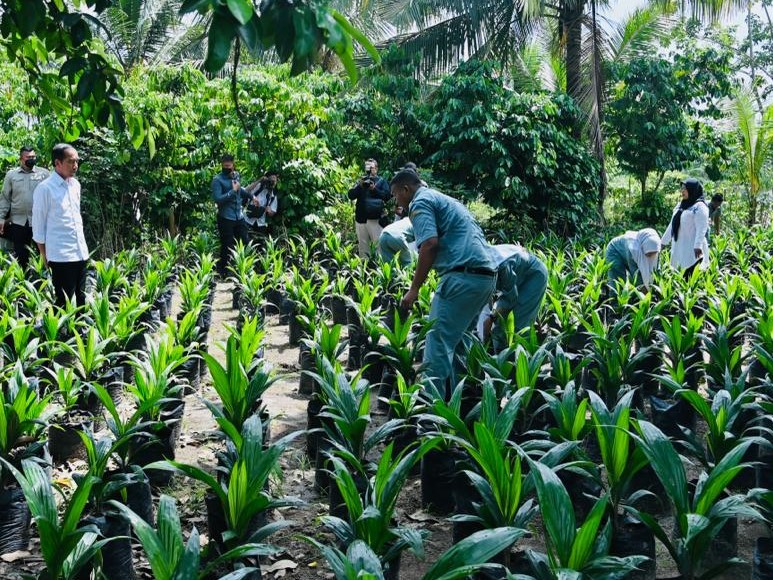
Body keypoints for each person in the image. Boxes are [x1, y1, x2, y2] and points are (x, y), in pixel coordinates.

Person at [392, 170, 496, 398]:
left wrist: (414, 288)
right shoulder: (443, 199)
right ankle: (459, 403)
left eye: (395, 195)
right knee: (458, 343)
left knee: (437, 342)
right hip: (484, 277)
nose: (396, 201)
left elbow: (429, 244)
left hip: (461, 277)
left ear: (406, 190)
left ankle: (431, 414)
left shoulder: (420, 202)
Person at [32, 144, 89, 307]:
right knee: (63, 302)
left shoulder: (75, 185)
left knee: (81, 299)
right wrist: (44, 255)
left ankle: (80, 332)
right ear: (57, 163)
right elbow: (38, 226)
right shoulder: (45, 189)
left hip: (80, 252)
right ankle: (63, 333)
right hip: (60, 256)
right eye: (71, 162)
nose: (75, 166)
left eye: (77, 161)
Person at [481, 244, 548, 349]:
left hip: (535, 276)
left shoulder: (502, 267)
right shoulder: (480, 266)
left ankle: (517, 360)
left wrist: (491, 318)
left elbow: (510, 299)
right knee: (501, 322)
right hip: (519, 276)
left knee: (516, 325)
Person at [0, 146, 50, 270]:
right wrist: (1, 217)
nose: (31, 159)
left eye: (33, 157)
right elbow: (5, 198)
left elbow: (51, 197)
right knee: (21, 257)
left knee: (44, 255)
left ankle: (45, 283)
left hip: (39, 221)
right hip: (18, 222)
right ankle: (24, 284)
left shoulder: (44, 174)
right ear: (21, 159)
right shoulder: (11, 175)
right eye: (28, 157)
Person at [661, 178, 710, 278]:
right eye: (682, 188)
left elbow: (702, 227)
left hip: (693, 251)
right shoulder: (680, 205)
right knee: (679, 277)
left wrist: (698, 245)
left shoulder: (699, 207)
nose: (682, 191)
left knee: (691, 278)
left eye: (685, 188)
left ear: (692, 190)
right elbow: (672, 225)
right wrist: (662, 243)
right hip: (679, 248)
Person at [212, 154, 250, 277]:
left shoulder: (236, 176)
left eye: (229, 166)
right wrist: (232, 191)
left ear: (233, 165)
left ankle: (244, 269)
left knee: (245, 241)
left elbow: (240, 189)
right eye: (224, 166)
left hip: (239, 216)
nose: (227, 168)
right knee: (227, 245)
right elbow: (218, 199)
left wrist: (252, 196)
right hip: (225, 217)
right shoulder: (217, 180)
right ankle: (223, 270)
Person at [348, 158, 391, 258]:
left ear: (376, 169)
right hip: (361, 219)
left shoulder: (381, 181)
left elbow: (387, 196)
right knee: (363, 247)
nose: (369, 169)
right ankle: (364, 270)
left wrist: (374, 189)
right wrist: (360, 186)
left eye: (371, 167)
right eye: (367, 167)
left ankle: (380, 270)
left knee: (379, 246)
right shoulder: (361, 181)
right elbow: (351, 195)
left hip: (375, 219)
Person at [244, 171, 279, 242]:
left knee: (259, 244)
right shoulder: (258, 187)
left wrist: (269, 211)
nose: (272, 183)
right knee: (245, 242)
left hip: (260, 223)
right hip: (247, 220)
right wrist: (259, 180)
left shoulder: (273, 196)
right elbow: (245, 191)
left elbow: (272, 212)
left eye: (274, 181)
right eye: (271, 180)